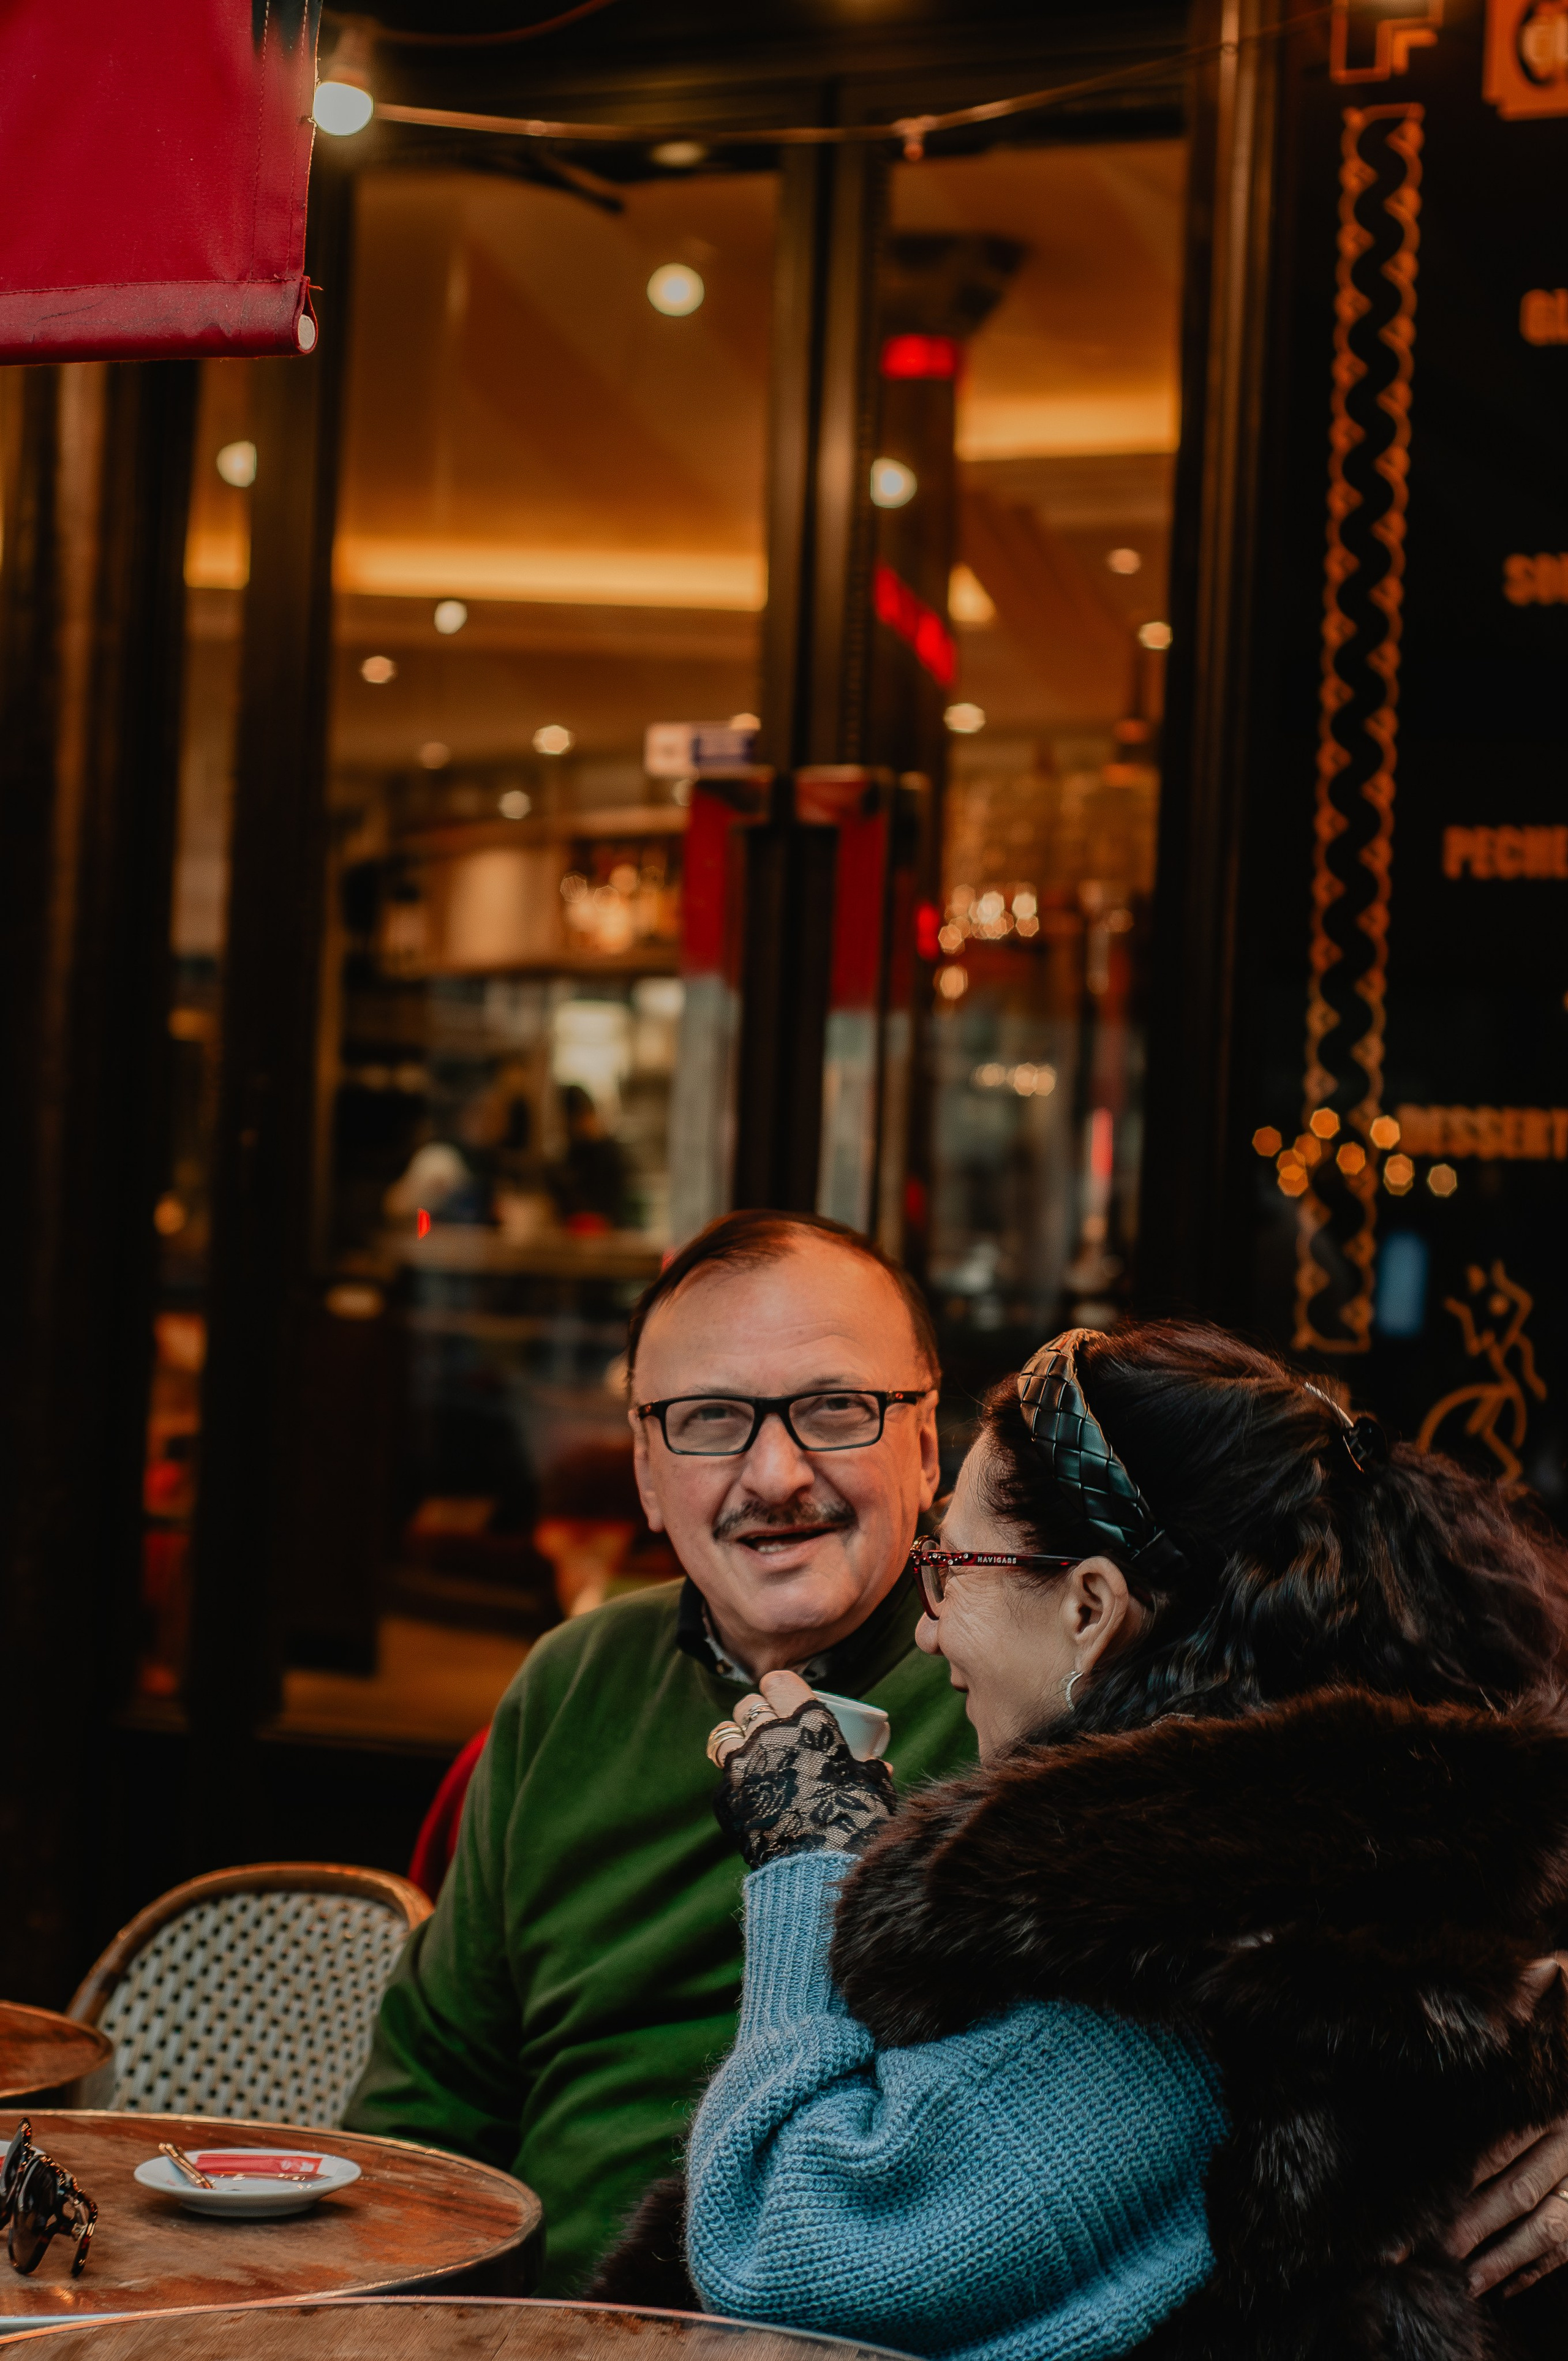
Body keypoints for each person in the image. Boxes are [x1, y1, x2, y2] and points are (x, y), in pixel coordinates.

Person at [682, 1322, 1568, 2360]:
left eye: (949, 1566)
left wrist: (810, 1858)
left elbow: (782, 2252)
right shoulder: (1395, 1832)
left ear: (1091, 1607)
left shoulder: (1182, 1948)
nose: (928, 1625)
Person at [344, 1209, 978, 2292]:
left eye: (834, 1409)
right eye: (711, 1419)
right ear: (645, 1471)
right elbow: (430, 2105)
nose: (775, 1474)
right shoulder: (573, 1682)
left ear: (925, 1447)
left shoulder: (1006, 1690)